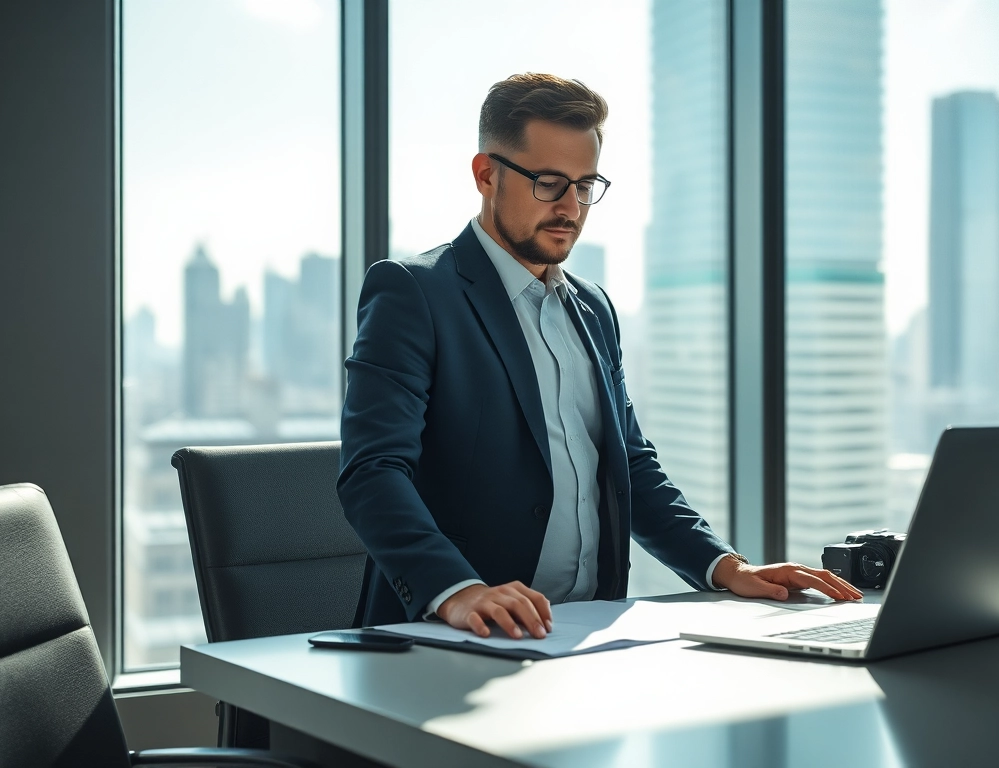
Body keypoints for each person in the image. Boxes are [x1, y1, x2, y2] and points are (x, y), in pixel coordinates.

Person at [338, 73, 862, 638]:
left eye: (585, 185)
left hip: (588, 632)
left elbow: (629, 464)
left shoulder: (593, 307)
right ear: (486, 174)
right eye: (548, 182)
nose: (571, 207)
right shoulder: (414, 292)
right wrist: (459, 593)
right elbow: (373, 472)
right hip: (458, 635)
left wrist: (725, 566)